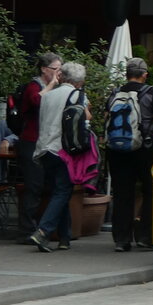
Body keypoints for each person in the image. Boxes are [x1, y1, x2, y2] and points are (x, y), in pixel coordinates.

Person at [30, 61, 88, 253]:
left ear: (62, 76)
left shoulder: (47, 96)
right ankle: (43, 231)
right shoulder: (78, 95)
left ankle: (65, 237)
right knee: (63, 192)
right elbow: (86, 118)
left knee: (58, 191)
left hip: (44, 148)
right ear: (79, 81)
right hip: (63, 150)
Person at [107, 57, 153, 252]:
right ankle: (146, 236)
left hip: (117, 150)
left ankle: (121, 239)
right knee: (150, 191)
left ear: (127, 74)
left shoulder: (114, 93)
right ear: (144, 74)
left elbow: (107, 119)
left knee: (122, 193)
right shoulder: (152, 92)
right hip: (144, 149)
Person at [15, 52, 62, 244]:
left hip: (46, 141)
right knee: (33, 185)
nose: (58, 73)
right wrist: (51, 86)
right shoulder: (33, 86)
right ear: (44, 69)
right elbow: (37, 101)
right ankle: (25, 230)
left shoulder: (55, 87)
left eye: (60, 69)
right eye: (55, 69)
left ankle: (42, 228)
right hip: (30, 141)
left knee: (46, 185)